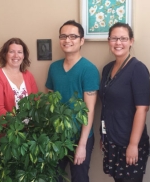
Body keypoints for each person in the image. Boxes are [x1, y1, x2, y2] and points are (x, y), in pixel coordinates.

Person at [45, 20, 99, 182]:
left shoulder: (88, 69)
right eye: (63, 36)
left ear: (81, 40)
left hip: (79, 137)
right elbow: (49, 102)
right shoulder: (54, 67)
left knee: (79, 178)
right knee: (52, 177)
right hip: (56, 136)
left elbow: (89, 110)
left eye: (73, 36)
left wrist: (82, 145)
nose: (67, 40)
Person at [99, 23, 150, 182]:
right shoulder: (107, 69)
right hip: (112, 139)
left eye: (123, 38)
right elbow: (107, 104)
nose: (118, 43)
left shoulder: (138, 69)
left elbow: (142, 109)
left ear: (131, 41)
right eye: (114, 38)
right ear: (109, 41)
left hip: (129, 141)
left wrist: (133, 145)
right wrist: (104, 135)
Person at [0, 38, 38, 119]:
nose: (16, 55)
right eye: (11, 52)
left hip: (30, 128)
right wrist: (17, 126)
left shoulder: (28, 75)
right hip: (10, 129)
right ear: (5, 54)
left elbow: (36, 101)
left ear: (23, 56)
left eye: (19, 52)